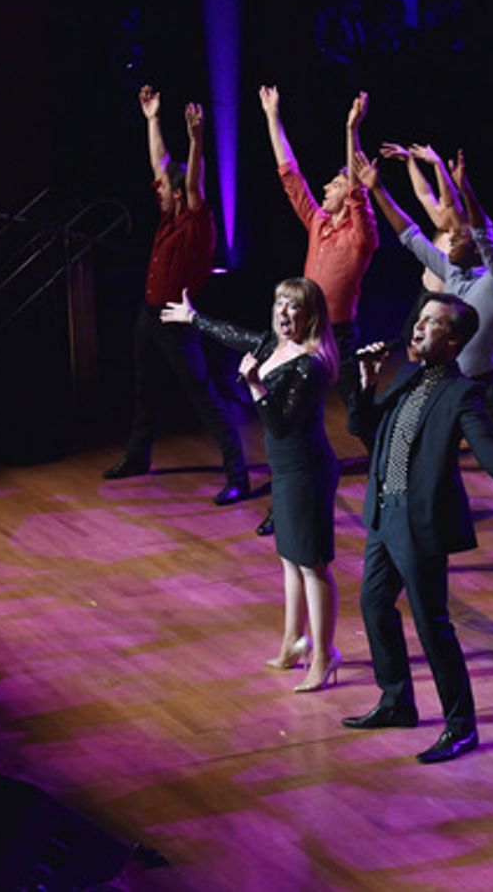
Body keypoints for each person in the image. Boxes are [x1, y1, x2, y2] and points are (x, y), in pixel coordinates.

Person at [341, 293, 493, 764]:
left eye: (431, 323)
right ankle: (396, 701)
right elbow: (365, 428)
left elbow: (486, 445)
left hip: (418, 524)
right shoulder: (410, 376)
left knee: (433, 627)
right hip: (382, 513)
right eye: (420, 318)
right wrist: (367, 383)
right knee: (374, 607)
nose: (417, 326)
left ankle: (461, 725)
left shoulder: (462, 393)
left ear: (453, 340)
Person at [355, 148, 493, 601]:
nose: (450, 236)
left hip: (487, 390)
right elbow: (409, 236)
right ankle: (418, 548)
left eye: (458, 232)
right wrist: (377, 189)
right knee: (423, 466)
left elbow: (483, 230)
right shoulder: (451, 271)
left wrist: (464, 186)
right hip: (442, 387)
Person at [161, 279, 343, 692]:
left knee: (312, 565)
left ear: (310, 316)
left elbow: (278, 425)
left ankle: (325, 654)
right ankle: (292, 643)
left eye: (294, 307)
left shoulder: (310, 365)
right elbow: (233, 335)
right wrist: (193, 318)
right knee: (289, 560)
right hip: (285, 472)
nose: (284, 313)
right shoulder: (271, 345)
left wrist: (256, 384)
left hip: (307, 472)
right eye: (279, 303)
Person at [102, 85, 249, 506]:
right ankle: (137, 456)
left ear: (181, 194)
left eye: (166, 189)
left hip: (176, 320)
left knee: (204, 396)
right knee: (145, 388)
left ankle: (237, 474)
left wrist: (197, 139)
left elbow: (194, 180)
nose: (159, 191)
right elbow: (159, 162)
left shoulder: (197, 223)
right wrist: (151, 119)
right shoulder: (170, 217)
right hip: (149, 316)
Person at [258, 83, 378, 436]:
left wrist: (352, 130)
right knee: (293, 404)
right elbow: (290, 175)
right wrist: (272, 116)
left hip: (337, 336)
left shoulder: (361, 236)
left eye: (334, 185)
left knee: (359, 416)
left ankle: (388, 469)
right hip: (301, 330)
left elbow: (358, 192)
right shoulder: (317, 223)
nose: (325, 188)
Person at [377, 141, 464, 295]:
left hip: (444, 300)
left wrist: (438, 165)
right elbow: (425, 195)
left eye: (442, 205)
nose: (437, 208)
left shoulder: (460, 232)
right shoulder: (443, 228)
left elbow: (451, 202)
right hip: (425, 293)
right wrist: (410, 161)